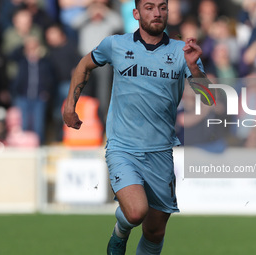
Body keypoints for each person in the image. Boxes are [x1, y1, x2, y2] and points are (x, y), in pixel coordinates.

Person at [62, 0, 213, 254]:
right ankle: (120, 231)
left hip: (161, 152)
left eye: (162, 7)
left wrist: (194, 66)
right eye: (149, 7)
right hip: (123, 148)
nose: (157, 13)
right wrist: (69, 105)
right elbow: (84, 65)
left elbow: (209, 98)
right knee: (136, 211)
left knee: (155, 232)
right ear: (136, 13)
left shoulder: (181, 51)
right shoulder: (116, 44)